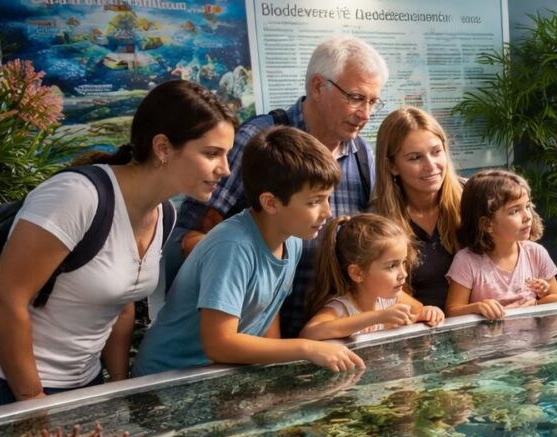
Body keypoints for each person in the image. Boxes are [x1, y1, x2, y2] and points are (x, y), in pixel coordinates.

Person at [0, 80, 238, 407]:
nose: (226, 169)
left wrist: (119, 388)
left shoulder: (164, 215)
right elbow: (5, 298)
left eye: (227, 154)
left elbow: (122, 303)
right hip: (12, 386)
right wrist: (33, 400)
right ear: (163, 148)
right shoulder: (76, 196)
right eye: (211, 153)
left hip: (85, 384)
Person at [172, 34, 388, 337]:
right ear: (317, 86)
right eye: (355, 98)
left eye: (372, 102)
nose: (365, 114)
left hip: (333, 332)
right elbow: (188, 237)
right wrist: (252, 273)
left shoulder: (363, 155)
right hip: (248, 341)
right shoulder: (257, 142)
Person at [132, 126, 364, 376]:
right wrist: (306, 348)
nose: (327, 212)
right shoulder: (233, 247)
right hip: (166, 379)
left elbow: (266, 311)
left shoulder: (292, 239)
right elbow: (219, 344)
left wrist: (274, 373)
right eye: (314, 202)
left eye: (327, 198)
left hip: (214, 376)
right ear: (270, 202)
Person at [369, 107, 462, 309]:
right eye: (415, 158)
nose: (431, 165)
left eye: (436, 152)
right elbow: (372, 287)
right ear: (391, 166)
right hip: (415, 328)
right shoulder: (375, 220)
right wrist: (425, 313)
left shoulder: (473, 196)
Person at [299, 213, 445, 340]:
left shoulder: (392, 297)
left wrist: (429, 312)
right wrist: (377, 317)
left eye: (403, 262)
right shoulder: (342, 308)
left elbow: (418, 310)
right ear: (357, 273)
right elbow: (309, 333)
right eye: (392, 266)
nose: (404, 274)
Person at [445, 170, 557, 320]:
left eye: (527, 206)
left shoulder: (535, 253)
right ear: (487, 224)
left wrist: (540, 300)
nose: (527, 216)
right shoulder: (466, 261)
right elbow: (451, 312)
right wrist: (477, 307)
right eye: (514, 211)